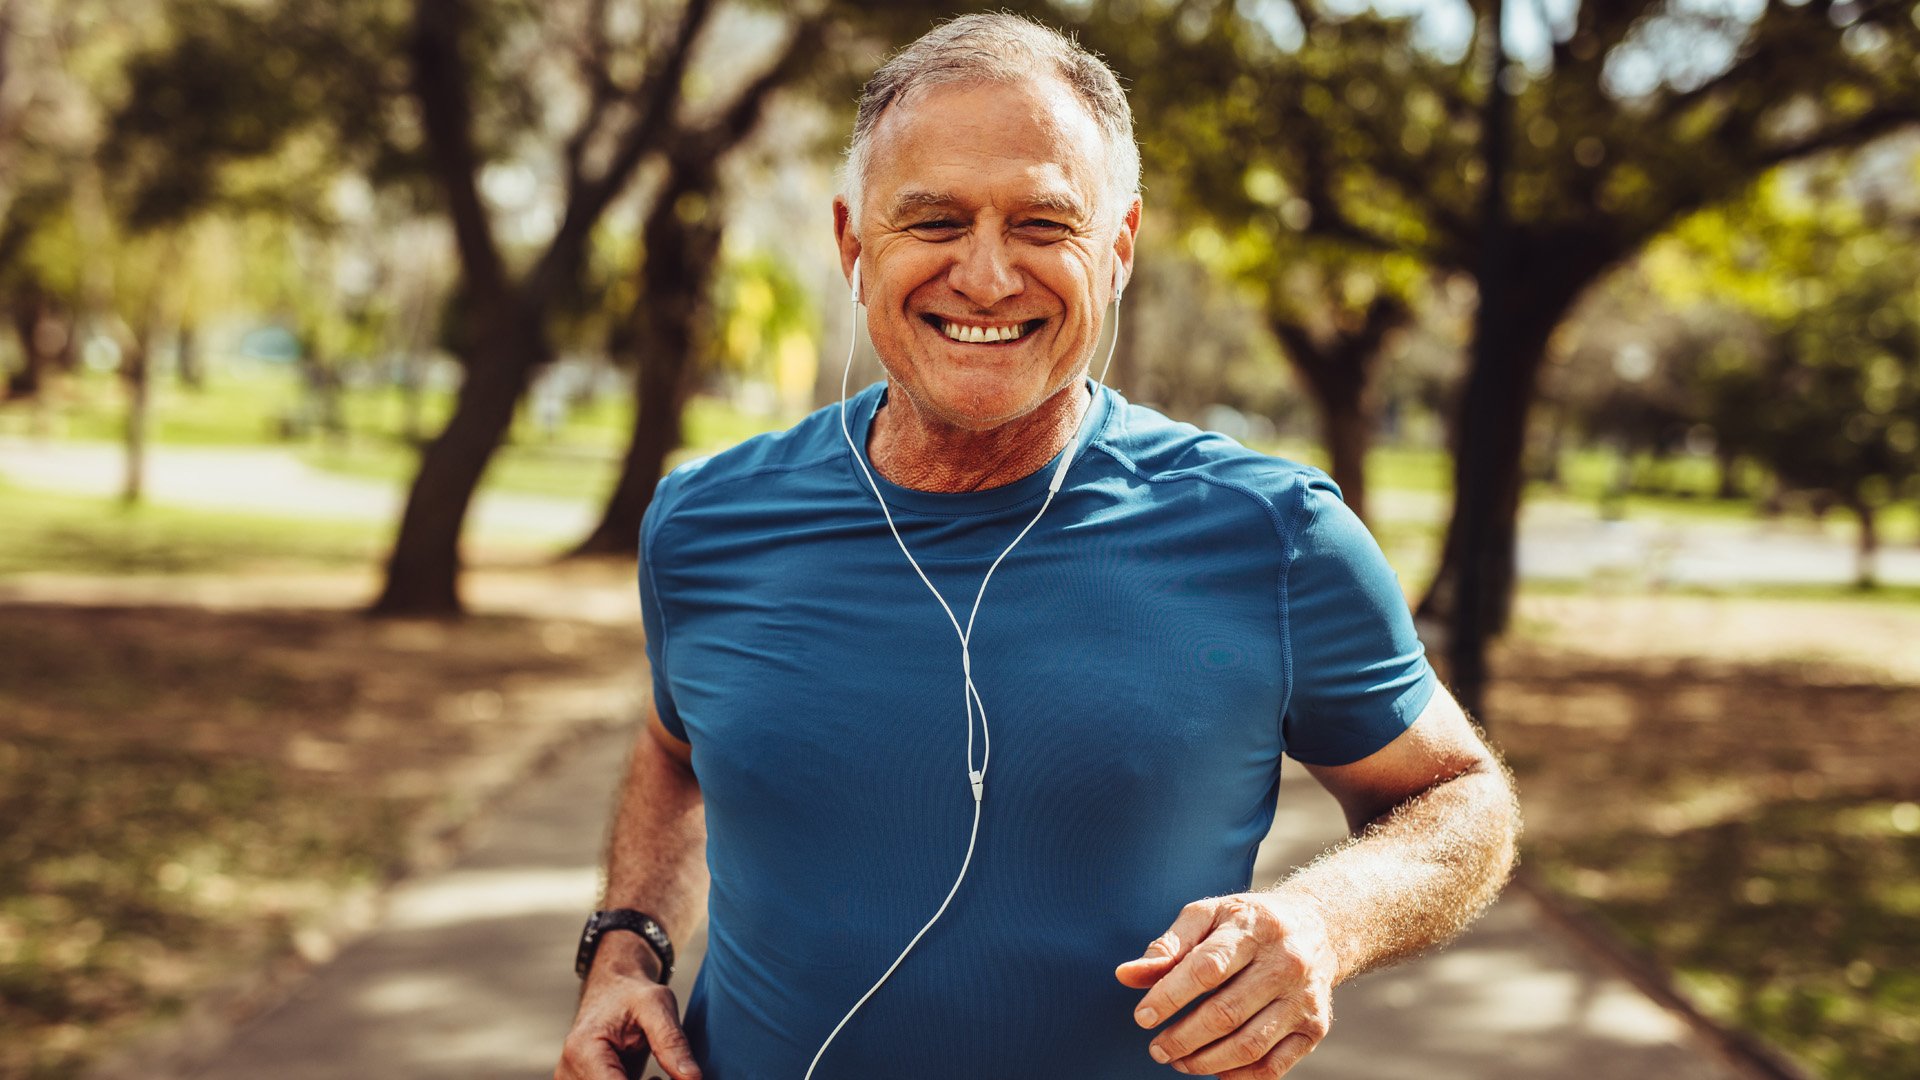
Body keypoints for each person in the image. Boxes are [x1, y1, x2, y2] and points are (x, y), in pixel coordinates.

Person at [555, 13, 1519, 1080]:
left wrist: (1327, 923)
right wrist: (626, 945)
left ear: (1118, 249)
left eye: (1042, 225)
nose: (985, 276)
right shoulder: (705, 523)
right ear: (850, 242)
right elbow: (673, 749)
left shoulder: (1275, 533)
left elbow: (1459, 798)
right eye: (933, 220)